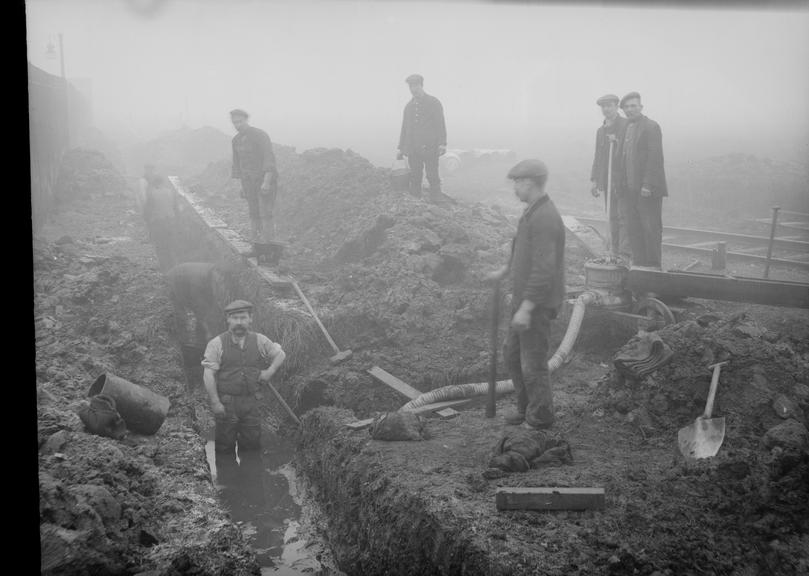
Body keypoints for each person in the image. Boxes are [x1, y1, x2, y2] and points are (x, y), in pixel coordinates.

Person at [487, 160, 565, 430]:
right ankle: (525, 406)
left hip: (536, 303)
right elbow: (520, 246)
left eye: (517, 183)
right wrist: (506, 270)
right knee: (512, 354)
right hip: (524, 300)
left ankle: (541, 417)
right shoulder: (531, 212)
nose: (514, 188)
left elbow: (544, 271)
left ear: (529, 182)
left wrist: (526, 307)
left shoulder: (545, 218)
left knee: (533, 361)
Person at [202, 300, 286, 454]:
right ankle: (228, 476)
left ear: (250, 319)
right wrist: (215, 402)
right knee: (224, 448)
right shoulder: (216, 344)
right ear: (228, 319)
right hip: (227, 403)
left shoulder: (260, 340)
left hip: (252, 403)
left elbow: (280, 354)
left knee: (251, 446)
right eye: (235, 318)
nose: (239, 322)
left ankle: (250, 475)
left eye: (243, 318)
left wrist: (270, 371)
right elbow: (208, 374)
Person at [616, 92, 668, 268]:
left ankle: (654, 270)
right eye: (626, 107)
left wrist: (647, 184)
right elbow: (621, 159)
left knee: (650, 230)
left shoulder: (651, 127)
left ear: (641, 107)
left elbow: (655, 158)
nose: (630, 109)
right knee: (634, 230)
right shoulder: (625, 128)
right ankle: (639, 269)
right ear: (623, 110)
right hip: (629, 191)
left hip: (647, 190)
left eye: (633, 106)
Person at [590, 94, 630, 261]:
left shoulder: (626, 125)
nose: (606, 109)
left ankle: (625, 254)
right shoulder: (601, 131)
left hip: (623, 180)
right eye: (603, 106)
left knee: (624, 216)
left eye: (609, 106)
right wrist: (594, 180)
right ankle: (614, 251)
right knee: (611, 215)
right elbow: (598, 156)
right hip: (607, 180)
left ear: (616, 107)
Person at [230, 109, 279, 242]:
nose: (237, 125)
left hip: (263, 181)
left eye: (240, 121)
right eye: (234, 122)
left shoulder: (259, 135)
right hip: (248, 183)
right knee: (253, 214)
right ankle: (255, 245)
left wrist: (267, 182)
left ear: (246, 120)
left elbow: (269, 159)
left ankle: (268, 248)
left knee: (266, 214)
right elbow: (238, 164)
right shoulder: (236, 141)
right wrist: (242, 186)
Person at [397, 74, 447, 202]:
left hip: (430, 147)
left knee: (432, 175)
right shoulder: (408, 107)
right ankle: (415, 201)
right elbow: (404, 128)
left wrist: (442, 143)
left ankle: (437, 200)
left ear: (421, 85)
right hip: (413, 148)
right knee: (415, 176)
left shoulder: (433, 102)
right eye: (411, 86)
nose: (413, 89)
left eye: (416, 85)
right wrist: (400, 147)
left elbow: (440, 123)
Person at [142, 171, 179, 272]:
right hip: (170, 222)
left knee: (160, 247)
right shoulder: (170, 191)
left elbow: (147, 211)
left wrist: (147, 222)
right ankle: (174, 267)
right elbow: (176, 208)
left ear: (154, 183)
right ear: (163, 182)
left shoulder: (151, 193)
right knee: (170, 246)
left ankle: (164, 269)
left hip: (158, 223)